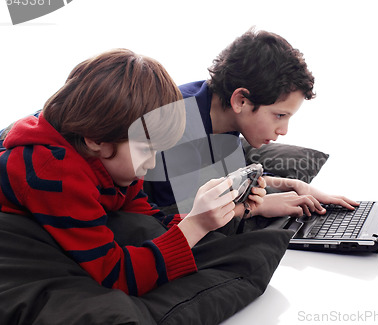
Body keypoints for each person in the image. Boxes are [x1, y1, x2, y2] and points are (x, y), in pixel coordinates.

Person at [0, 49, 266, 296]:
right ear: (95, 138)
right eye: (146, 149)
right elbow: (116, 275)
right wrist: (195, 225)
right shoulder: (55, 174)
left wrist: (212, 214)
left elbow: (154, 223)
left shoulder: (116, 167)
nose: (150, 165)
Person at [145, 29, 358, 219]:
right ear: (241, 101)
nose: (283, 130)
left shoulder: (225, 117)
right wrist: (255, 207)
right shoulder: (179, 124)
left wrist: (294, 185)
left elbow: (233, 178)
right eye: (279, 115)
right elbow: (176, 213)